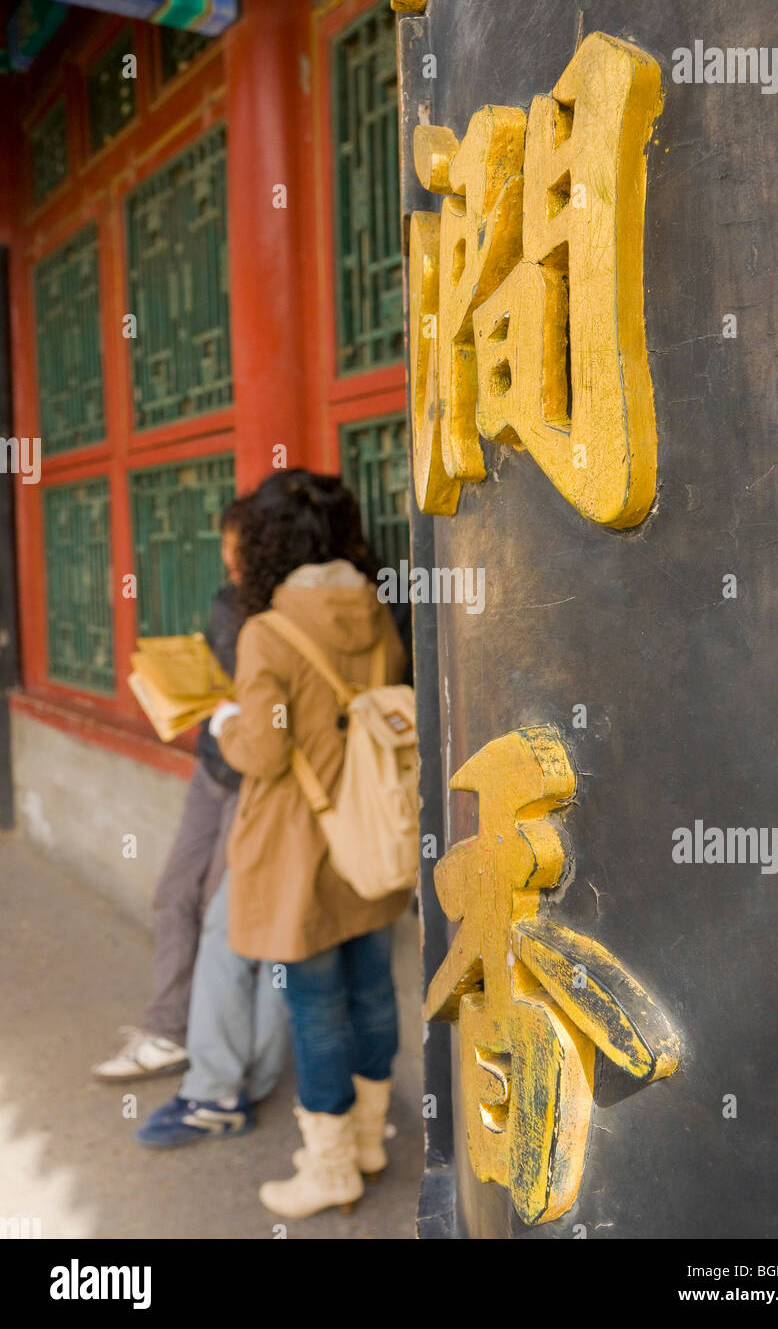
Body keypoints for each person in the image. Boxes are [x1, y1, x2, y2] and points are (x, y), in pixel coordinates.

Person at [211, 470, 411, 1218]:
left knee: (315, 1009)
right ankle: (367, 1138)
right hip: (371, 833)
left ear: (269, 543)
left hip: (301, 850)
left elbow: (264, 753)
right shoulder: (374, 609)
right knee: (372, 990)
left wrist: (222, 726)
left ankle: (330, 1169)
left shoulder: (268, 632)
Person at [92, 499, 248, 1082]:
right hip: (212, 768)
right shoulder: (227, 601)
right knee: (173, 893)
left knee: (217, 911)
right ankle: (166, 1030)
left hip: (253, 778)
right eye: (226, 545)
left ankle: (213, 1059)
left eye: (241, 547)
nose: (230, 559)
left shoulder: (280, 611)